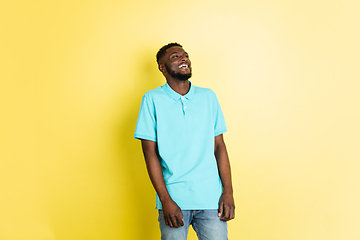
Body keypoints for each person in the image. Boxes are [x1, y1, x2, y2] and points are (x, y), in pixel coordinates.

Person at [134, 42, 235, 240]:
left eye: (185, 55)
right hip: (174, 200)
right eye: (175, 57)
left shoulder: (208, 96)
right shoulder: (152, 99)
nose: (183, 58)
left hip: (211, 200)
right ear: (161, 67)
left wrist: (228, 192)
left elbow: (219, 147)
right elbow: (149, 153)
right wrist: (165, 200)